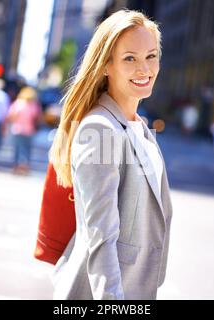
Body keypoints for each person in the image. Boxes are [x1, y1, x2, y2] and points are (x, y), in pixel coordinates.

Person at [48, 10, 173, 300]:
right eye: (130, 58)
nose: (144, 69)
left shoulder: (139, 128)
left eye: (151, 56)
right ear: (106, 65)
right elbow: (101, 237)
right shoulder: (101, 129)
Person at [6, 86, 42, 174]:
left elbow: (11, 116)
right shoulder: (34, 105)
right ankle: (25, 166)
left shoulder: (18, 103)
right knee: (27, 149)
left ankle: (16, 166)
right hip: (29, 131)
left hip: (17, 129)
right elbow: (38, 118)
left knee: (17, 149)